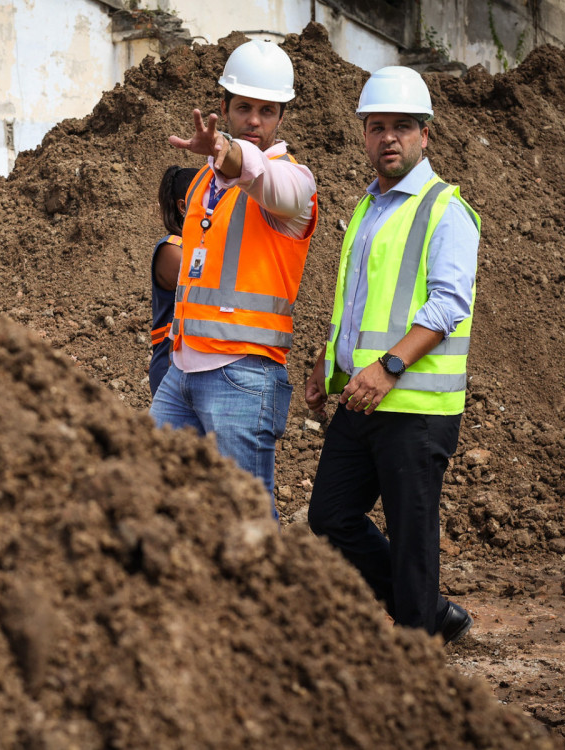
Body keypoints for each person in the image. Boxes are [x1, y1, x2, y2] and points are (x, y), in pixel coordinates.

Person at [304, 66, 481, 644]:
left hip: (414, 405)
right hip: (362, 397)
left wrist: (390, 366)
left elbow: (448, 303)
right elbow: (357, 304)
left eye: (402, 127)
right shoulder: (368, 209)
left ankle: (417, 651)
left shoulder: (444, 209)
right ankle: (430, 613)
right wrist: (329, 365)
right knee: (330, 515)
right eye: (376, 126)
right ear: (362, 135)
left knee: (412, 536)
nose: (388, 138)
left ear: (425, 135)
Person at [150, 39, 319, 515]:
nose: (255, 121)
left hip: (243, 374)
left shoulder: (294, 182)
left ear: (282, 116)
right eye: (244, 108)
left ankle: (267, 591)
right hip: (182, 369)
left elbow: (269, 183)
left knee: (245, 518)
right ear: (223, 107)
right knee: (146, 494)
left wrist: (225, 151)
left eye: (268, 110)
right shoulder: (205, 182)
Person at [148, 165, 200, 396]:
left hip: (194, 366)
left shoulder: (197, 248)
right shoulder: (172, 248)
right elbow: (206, 282)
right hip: (171, 368)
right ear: (183, 206)